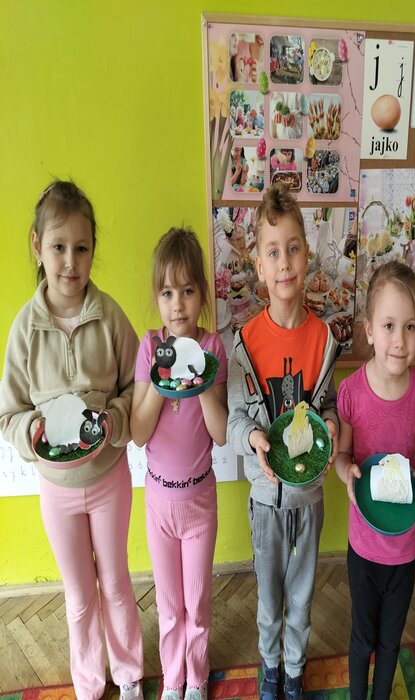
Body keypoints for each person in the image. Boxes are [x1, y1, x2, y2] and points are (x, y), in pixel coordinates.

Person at [0, 180, 144, 700]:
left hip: (109, 480)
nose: (70, 262)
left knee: (117, 583)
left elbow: (136, 385)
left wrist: (117, 421)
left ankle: (129, 674)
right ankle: (89, 683)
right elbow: (8, 413)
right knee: (80, 594)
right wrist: (28, 431)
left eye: (81, 248)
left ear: (93, 251)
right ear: (37, 247)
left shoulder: (110, 316)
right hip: (57, 490)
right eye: (58, 247)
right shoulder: (24, 329)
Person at [227, 183, 339, 700]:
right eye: (273, 252)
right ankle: (270, 667)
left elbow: (329, 407)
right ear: (258, 265)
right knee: (269, 597)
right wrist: (251, 435)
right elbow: (234, 420)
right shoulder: (245, 343)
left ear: (307, 255)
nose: (285, 262)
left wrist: (332, 426)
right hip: (264, 501)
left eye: (293, 248)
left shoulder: (324, 339)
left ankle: (294, 669)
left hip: (309, 498)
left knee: (302, 592)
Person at [130, 227, 228, 700]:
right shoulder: (150, 347)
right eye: (167, 292)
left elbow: (221, 433)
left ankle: (198, 676)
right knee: (169, 606)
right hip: (158, 502)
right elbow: (138, 432)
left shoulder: (213, 348)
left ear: (202, 295)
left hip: (199, 501)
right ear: (157, 297)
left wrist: (201, 378)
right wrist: (159, 377)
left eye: (188, 291)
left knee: (197, 603)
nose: (177, 305)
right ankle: (173, 679)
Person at [335, 261, 415, 700]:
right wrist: (347, 472)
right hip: (363, 545)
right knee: (362, 638)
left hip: (406, 548)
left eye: (410, 327)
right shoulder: (352, 393)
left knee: (390, 641)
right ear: (369, 331)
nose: (400, 340)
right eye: (389, 326)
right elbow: (342, 456)